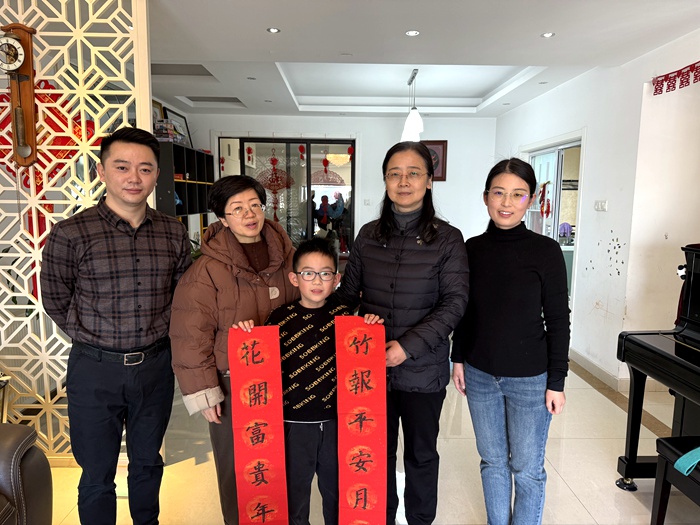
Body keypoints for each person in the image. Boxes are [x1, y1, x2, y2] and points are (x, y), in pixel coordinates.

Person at [40, 127, 192, 525]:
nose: (134, 178)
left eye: (145, 168)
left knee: (148, 463)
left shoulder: (173, 232)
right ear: (102, 171)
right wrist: (93, 337)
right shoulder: (71, 232)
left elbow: (183, 297)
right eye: (122, 167)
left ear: (156, 174)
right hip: (94, 370)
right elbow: (54, 297)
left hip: (155, 368)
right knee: (96, 473)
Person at [334, 141, 469, 525]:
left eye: (413, 173)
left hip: (423, 372)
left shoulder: (448, 239)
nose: (404, 181)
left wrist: (406, 348)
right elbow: (347, 297)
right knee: (375, 453)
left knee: (421, 455)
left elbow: (455, 303)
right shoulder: (368, 235)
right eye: (395, 174)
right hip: (369, 371)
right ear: (385, 181)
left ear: (428, 181)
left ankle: (420, 520)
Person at [169, 175, 299, 524]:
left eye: (255, 205)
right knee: (238, 469)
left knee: (283, 464)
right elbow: (190, 333)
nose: (249, 214)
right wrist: (204, 392)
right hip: (234, 382)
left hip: (286, 377)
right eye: (237, 208)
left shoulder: (288, 258)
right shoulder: (206, 270)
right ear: (223, 218)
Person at [451, 158, 570, 525]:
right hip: (480, 374)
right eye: (499, 193)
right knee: (492, 461)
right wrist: (458, 359)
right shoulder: (472, 249)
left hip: (530, 379)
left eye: (518, 195)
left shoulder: (546, 251)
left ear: (530, 200)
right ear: (485, 197)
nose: (506, 203)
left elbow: (558, 320)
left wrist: (556, 381)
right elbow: (465, 310)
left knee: (527, 468)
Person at [234, 237, 383, 525]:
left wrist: (370, 329)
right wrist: (248, 334)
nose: (317, 281)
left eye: (325, 274)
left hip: (338, 425)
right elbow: (260, 365)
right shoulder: (279, 319)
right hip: (292, 425)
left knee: (339, 497)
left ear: (336, 279)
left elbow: (362, 364)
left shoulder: (346, 320)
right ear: (294, 278)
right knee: (293, 498)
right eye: (308, 273)